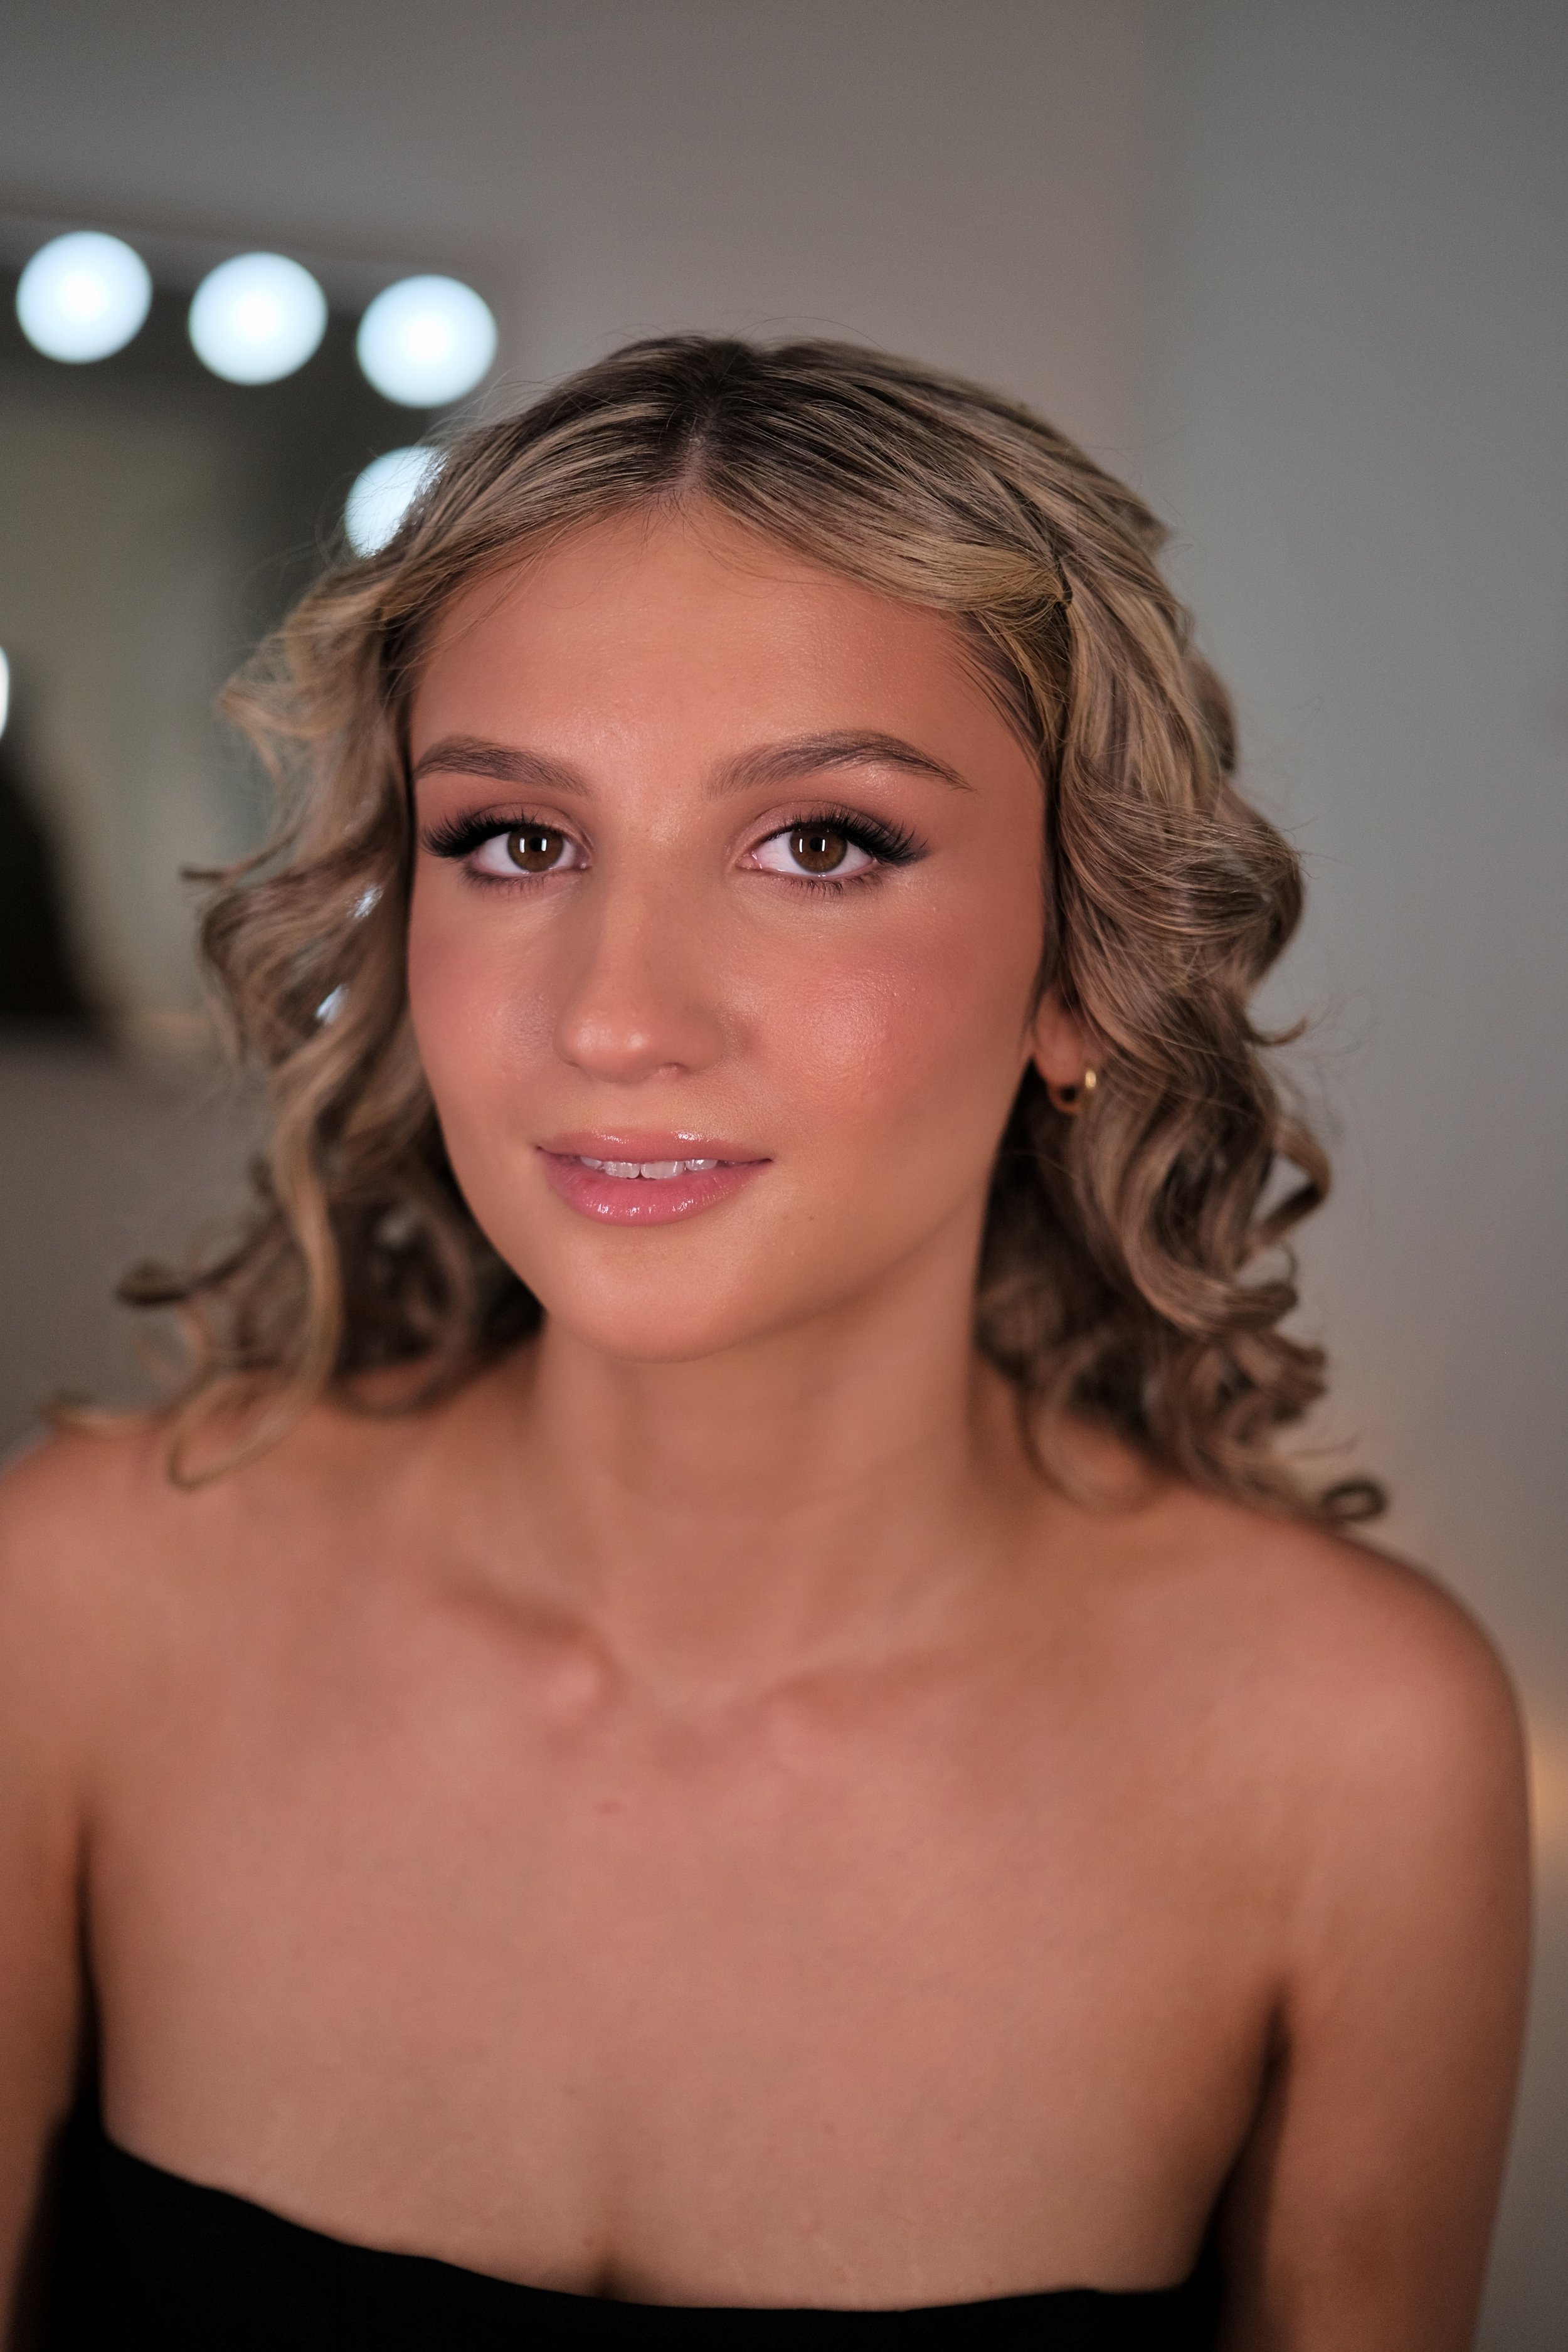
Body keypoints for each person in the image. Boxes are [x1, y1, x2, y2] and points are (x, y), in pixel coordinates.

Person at [0, 338, 1529, 2349]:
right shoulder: (86, 1606)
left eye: (818, 843)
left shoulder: (1348, 1761)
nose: (618, 1017)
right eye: (515, 841)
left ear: (1082, 970)